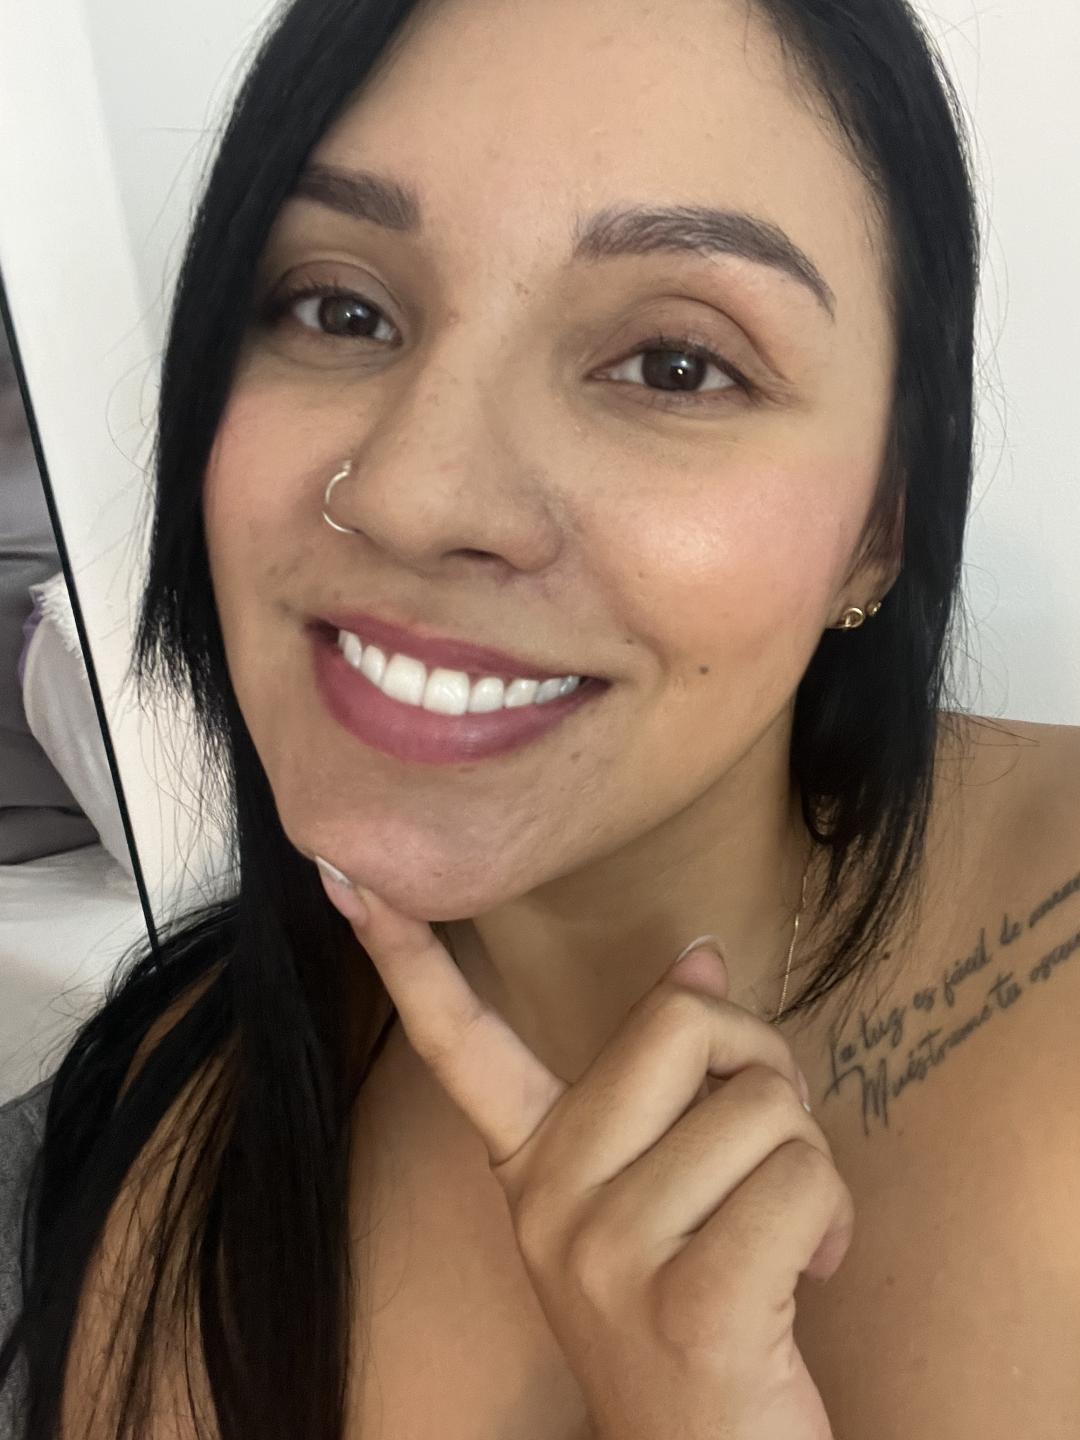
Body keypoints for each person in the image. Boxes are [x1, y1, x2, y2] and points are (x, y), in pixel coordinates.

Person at [2, 0, 1079, 1435]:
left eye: (675, 364)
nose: (412, 493)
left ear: (880, 529)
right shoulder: (170, 1129)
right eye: (341, 308)